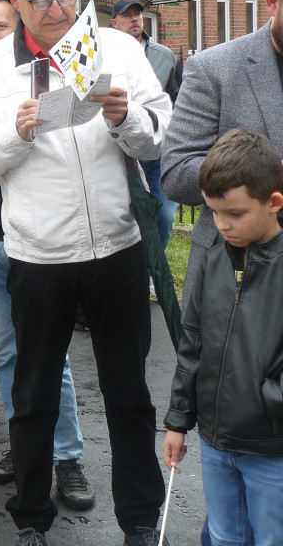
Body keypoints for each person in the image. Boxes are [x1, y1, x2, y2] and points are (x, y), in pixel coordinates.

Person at [0, 0, 171, 546]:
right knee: (33, 395)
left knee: (130, 396)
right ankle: (31, 519)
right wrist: (12, 137)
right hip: (38, 254)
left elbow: (161, 135)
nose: (57, 9)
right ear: (15, 0)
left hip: (117, 248)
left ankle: (142, 520)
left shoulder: (119, 49)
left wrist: (127, 120)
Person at [0, 0, 94, 505]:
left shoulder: (51, 77)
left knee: (50, 356)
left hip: (44, 243)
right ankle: (23, 445)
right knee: (8, 351)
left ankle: (68, 458)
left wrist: (9, 143)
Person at [164, 128, 283, 546]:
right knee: (224, 534)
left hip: (272, 446)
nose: (223, 225)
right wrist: (179, 421)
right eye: (213, 212)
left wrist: (271, 403)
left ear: (274, 203)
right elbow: (191, 343)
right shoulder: (214, 260)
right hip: (215, 441)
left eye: (235, 213)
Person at [162, 0, 283, 312]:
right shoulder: (214, 69)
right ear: (272, 1)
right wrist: (259, 177)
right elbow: (175, 173)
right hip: (234, 280)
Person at [109, 0, 180, 250]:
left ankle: (153, 266)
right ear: (115, 23)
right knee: (133, 215)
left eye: (137, 13)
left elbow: (177, 99)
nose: (134, 18)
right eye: (127, 15)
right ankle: (138, 265)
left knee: (164, 215)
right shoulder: (108, 56)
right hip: (128, 152)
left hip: (161, 151)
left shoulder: (165, 56)